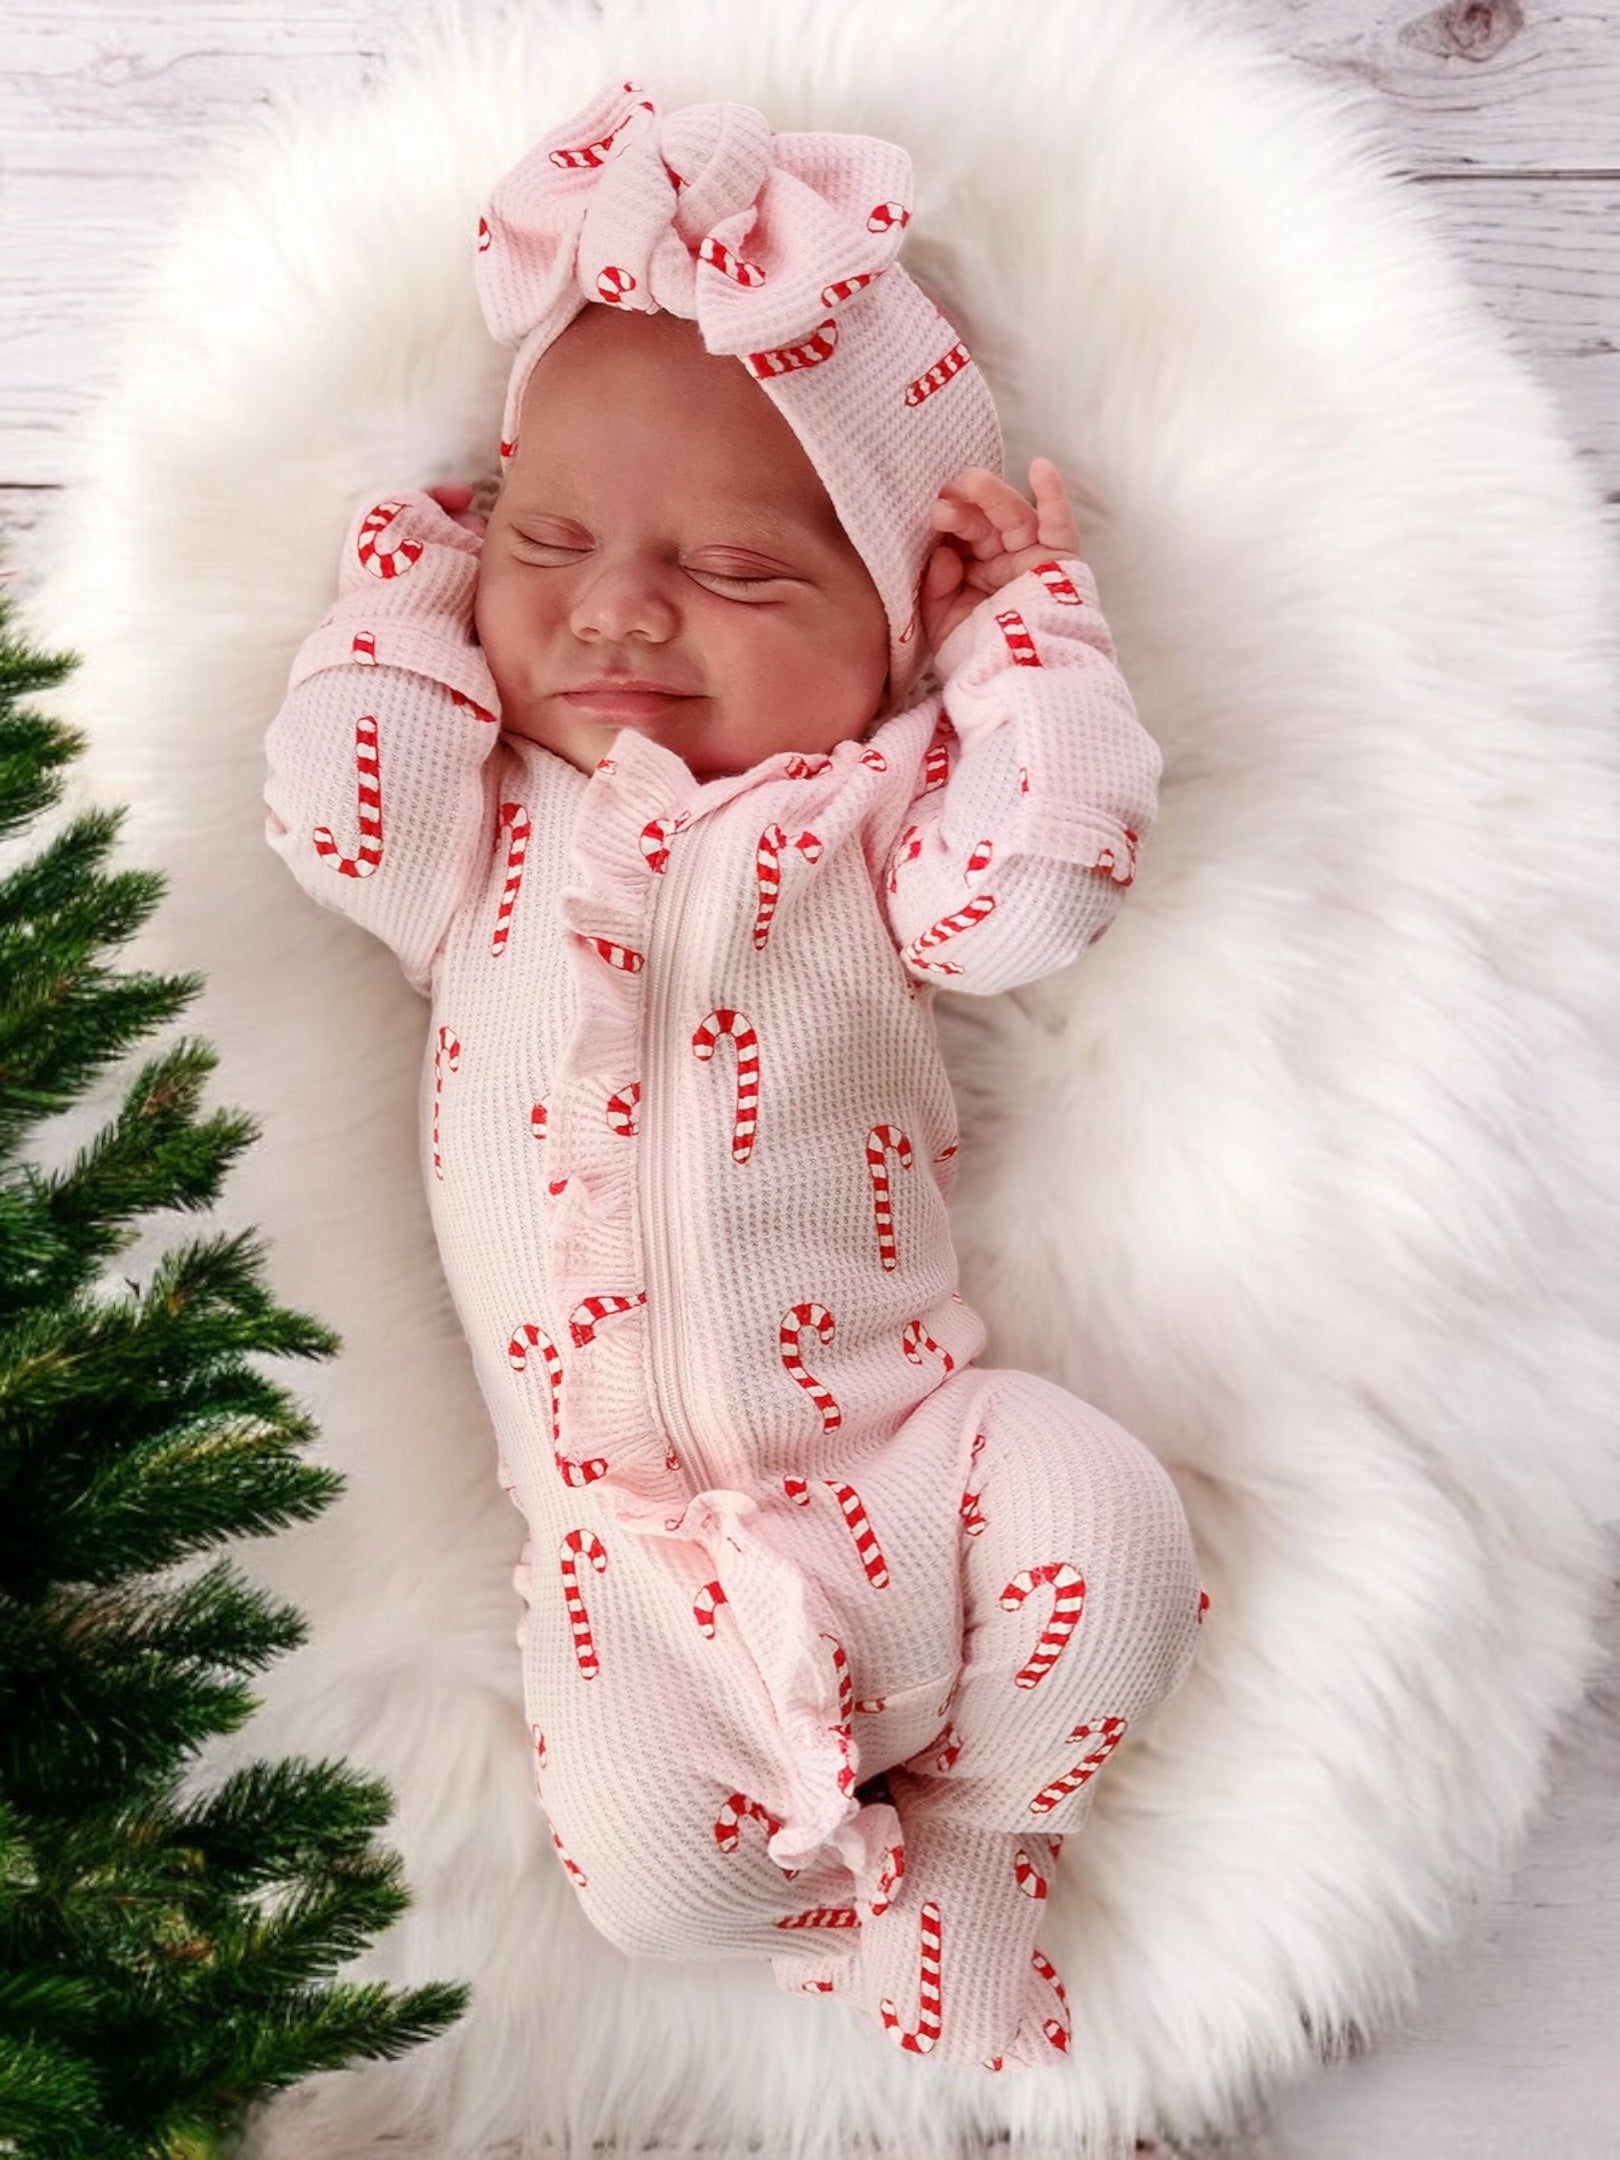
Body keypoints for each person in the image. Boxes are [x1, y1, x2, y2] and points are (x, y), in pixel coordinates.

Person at [262, 77, 1207, 2073]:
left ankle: (987, 1841)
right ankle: (829, 1884)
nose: (617, 607)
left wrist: (1020, 647)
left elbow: (1044, 889)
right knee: (647, 1879)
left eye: (742, 573)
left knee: (1109, 1521)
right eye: (549, 542)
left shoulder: (874, 814)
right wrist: (407, 596)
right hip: (622, 1550)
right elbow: (335, 815)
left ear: (882, 630)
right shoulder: (481, 836)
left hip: (910, 1448)